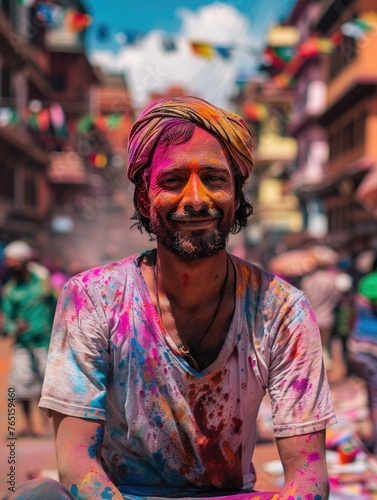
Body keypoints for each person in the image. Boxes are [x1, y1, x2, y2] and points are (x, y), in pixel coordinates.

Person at [4, 96, 336, 500]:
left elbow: (308, 476)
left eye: (214, 179)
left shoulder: (282, 310)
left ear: (237, 193)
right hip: (119, 495)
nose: (196, 200)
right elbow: (76, 462)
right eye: (173, 181)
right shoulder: (92, 299)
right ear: (144, 197)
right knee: (36, 495)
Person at [1, 240, 56, 437]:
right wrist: (13, 327)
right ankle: (29, 426)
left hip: (44, 343)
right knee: (21, 387)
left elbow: (55, 304)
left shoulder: (41, 282)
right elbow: (6, 319)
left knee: (46, 387)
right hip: (23, 345)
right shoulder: (11, 290)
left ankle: (48, 426)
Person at [347, 261, 377, 454]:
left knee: (371, 397)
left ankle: (373, 439)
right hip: (373, 347)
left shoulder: (367, 281)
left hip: (357, 346)